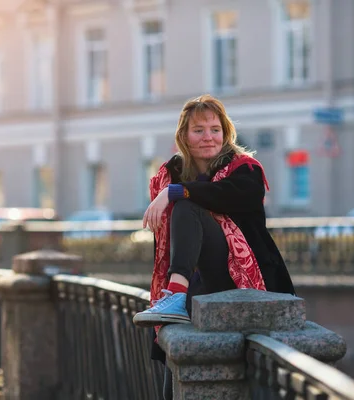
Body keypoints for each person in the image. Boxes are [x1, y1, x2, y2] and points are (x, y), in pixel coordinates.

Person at [132, 94, 296, 398]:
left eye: (215, 129)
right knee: (175, 367)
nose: (208, 136)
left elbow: (229, 195)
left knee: (187, 205)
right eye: (199, 130)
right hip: (201, 280)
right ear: (184, 136)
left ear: (225, 132)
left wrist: (176, 192)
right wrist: (173, 188)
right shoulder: (173, 173)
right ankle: (176, 298)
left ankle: (176, 296)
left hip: (245, 276)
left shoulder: (245, 170)